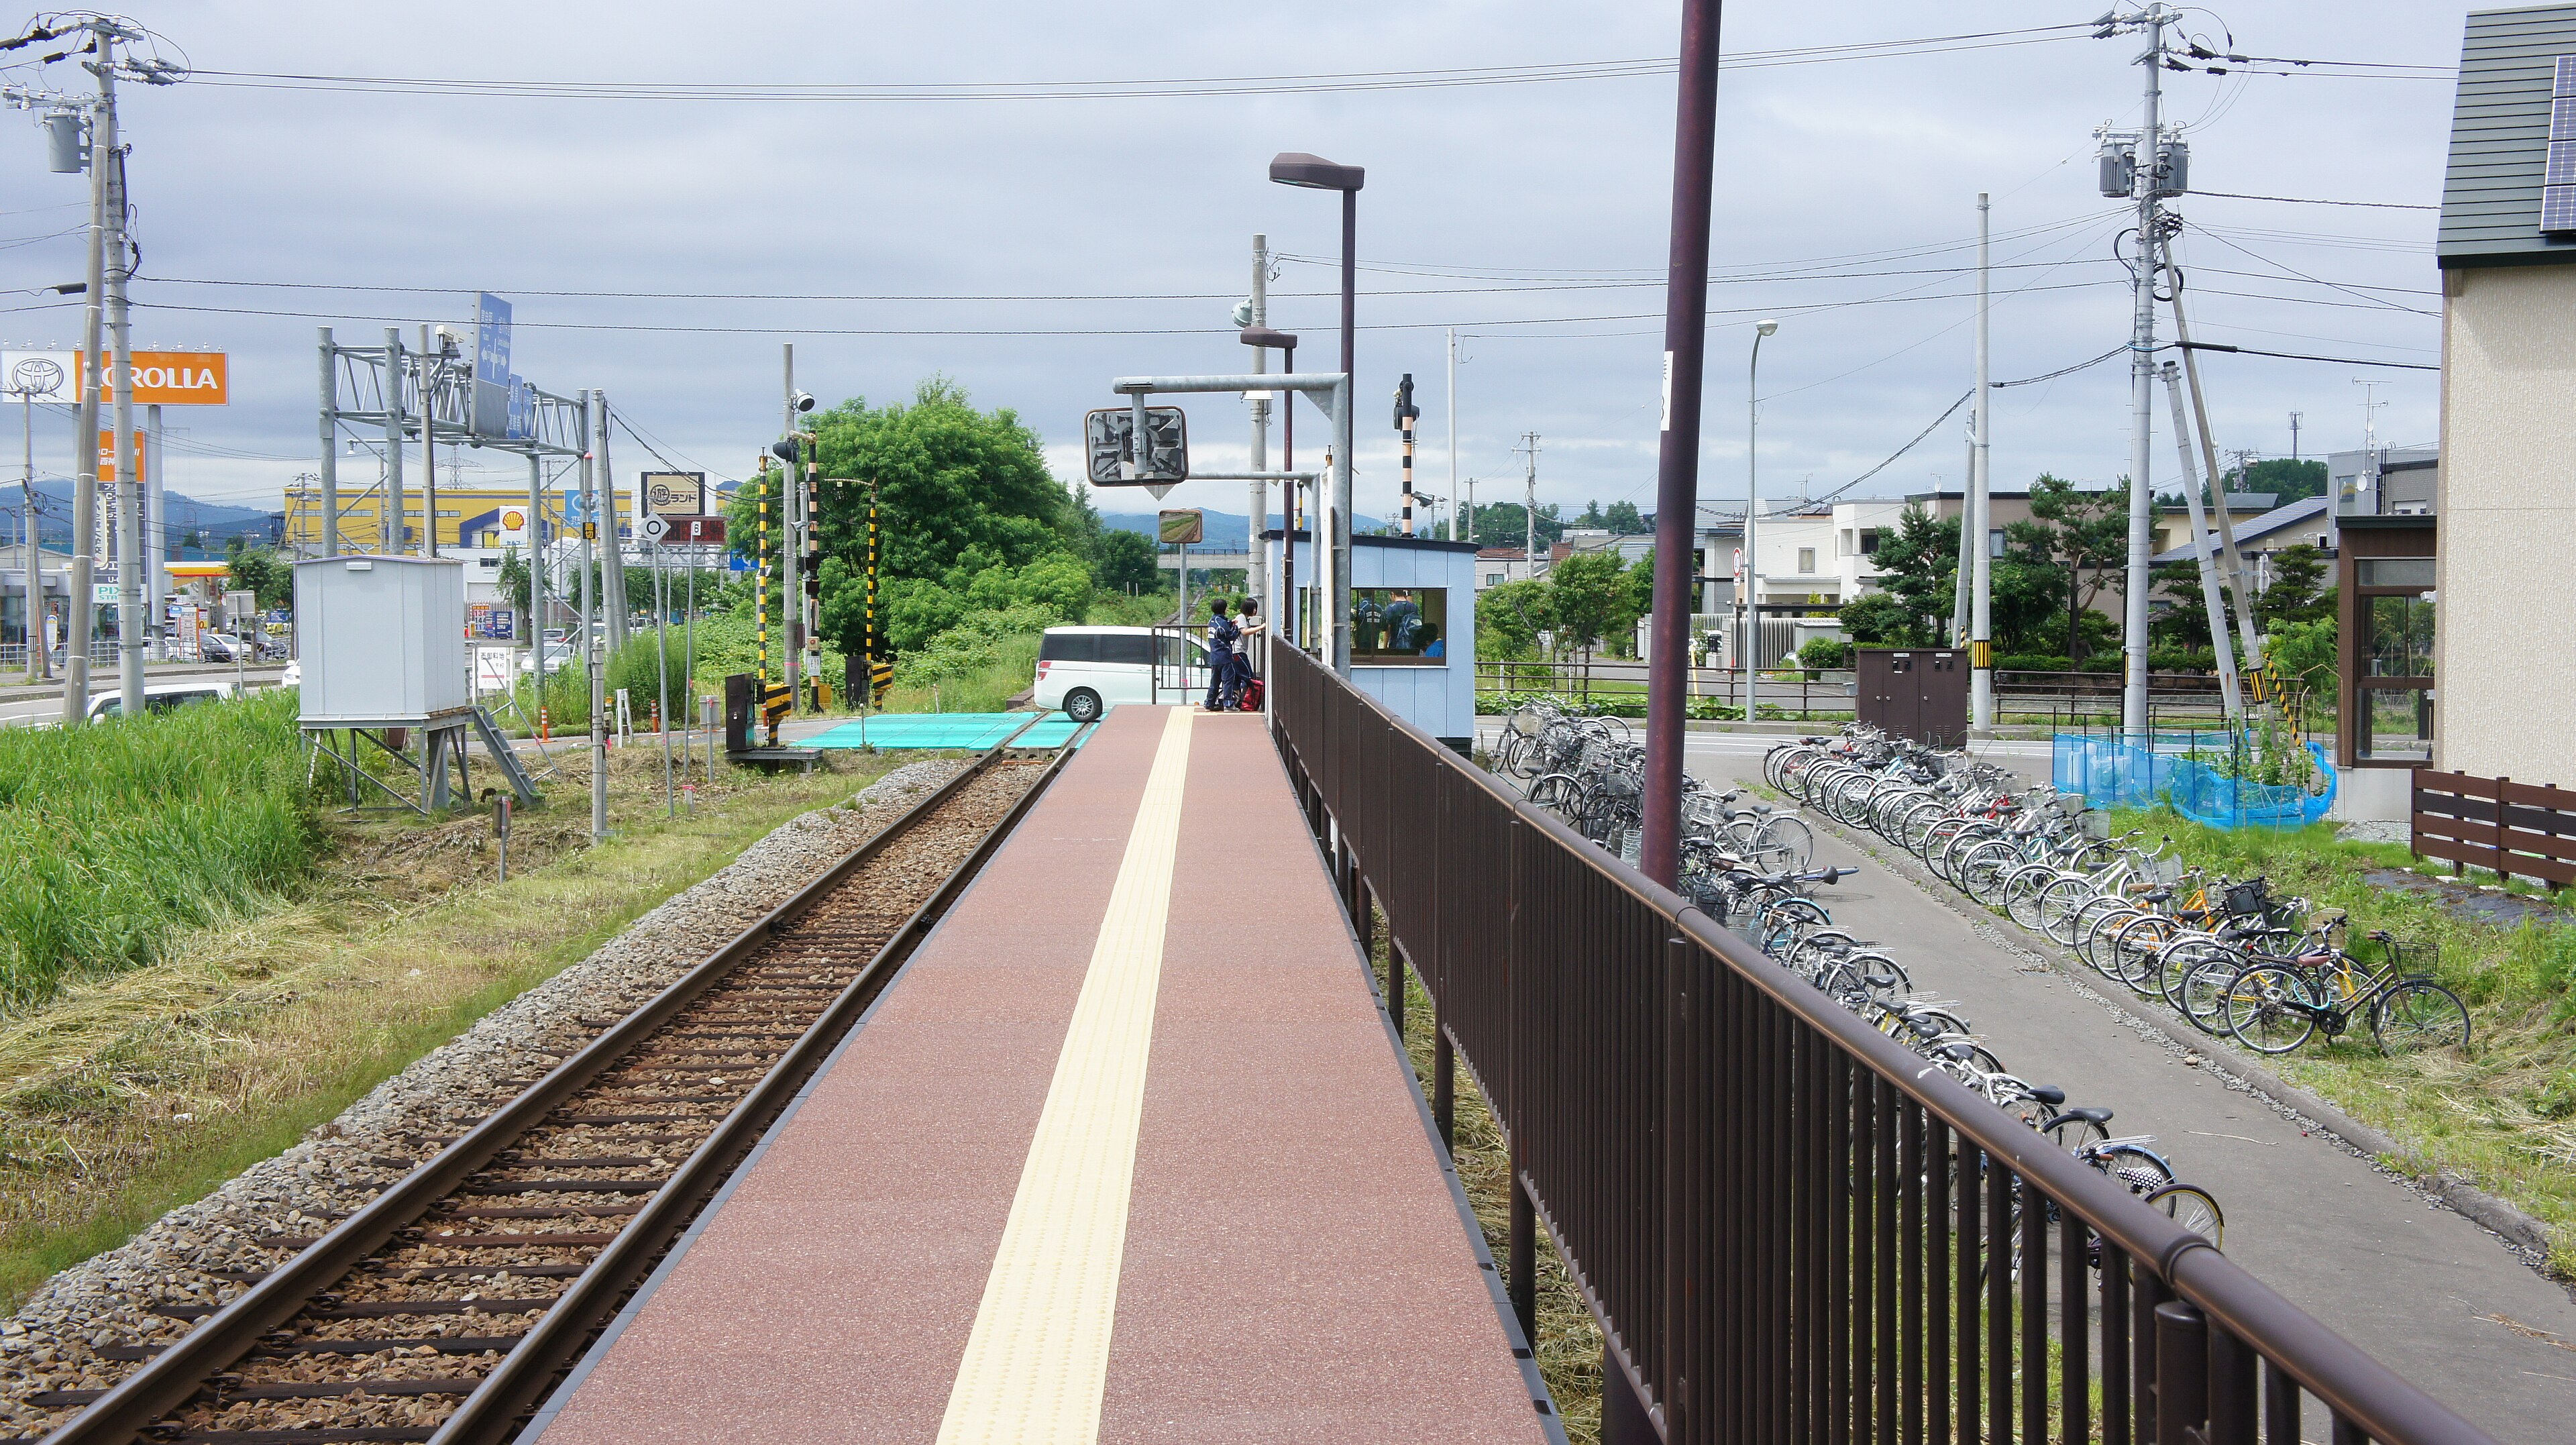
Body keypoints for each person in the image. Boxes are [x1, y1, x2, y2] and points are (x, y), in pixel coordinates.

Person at [1203, 597, 1241, 711]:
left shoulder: (1212, 621)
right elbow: (1231, 636)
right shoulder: (1222, 623)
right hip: (1225, 656)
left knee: (1215, 681)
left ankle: (1209, 703)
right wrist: (1236, 628)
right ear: (1224, 609)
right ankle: (1228, 704)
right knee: (1228, 680)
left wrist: (1229, 623)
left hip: (1214, 657)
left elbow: (1221, 630)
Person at [1230, 597, 1265, 704]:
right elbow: (1245, 632)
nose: (1255, 610)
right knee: (1249, 676)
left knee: (1236, 678)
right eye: (1254, 608)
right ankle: (1247, 700)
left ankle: (1236, 701)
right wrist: (1262, 627)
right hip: (1238, 652)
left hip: (1237, 652)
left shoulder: (1245, 619)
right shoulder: (1241, 618)